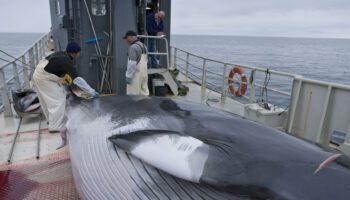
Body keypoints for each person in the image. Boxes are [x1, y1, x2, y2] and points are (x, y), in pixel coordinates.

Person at [33, 41, 98, 136]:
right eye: (78, 52)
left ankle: (50, 120)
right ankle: (54, 127)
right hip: (44, 79)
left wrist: (62, 80)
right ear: (74, 53)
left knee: (46, 100)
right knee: (58, 101)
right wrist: (91, 91)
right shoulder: (66, 61)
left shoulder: (62, 54)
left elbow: (55, 68)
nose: (79, 54)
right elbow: (77, 79)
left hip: (38, 74)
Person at [123, 30, 149, 95]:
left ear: (131, 37)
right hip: (144, 73)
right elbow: (146, 60)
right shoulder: (143, 46)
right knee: (143, 93)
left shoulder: (133, 47)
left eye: (127, 38)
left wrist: (129, 76)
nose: (126, 40)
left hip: (136, 75)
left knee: (132, 95)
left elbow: (132, 63)